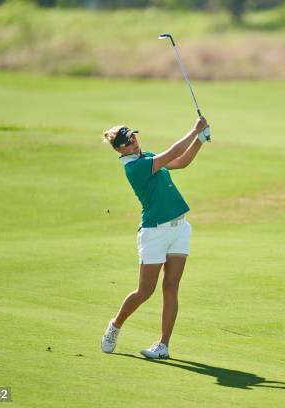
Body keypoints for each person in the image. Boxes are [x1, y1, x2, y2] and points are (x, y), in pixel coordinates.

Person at [100, 116, 210, 359]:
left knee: (171, 286)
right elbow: (173, 151)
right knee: (145, 291)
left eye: (133, 136)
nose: (134, 141)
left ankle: (163, 345)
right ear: (120, 149)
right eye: (128, 141)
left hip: (179, 228)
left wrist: (200, 140)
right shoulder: (133, 167)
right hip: (154, 233)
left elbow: (180, 161)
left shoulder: (144, 156)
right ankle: (115, 325)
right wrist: (194, 130)